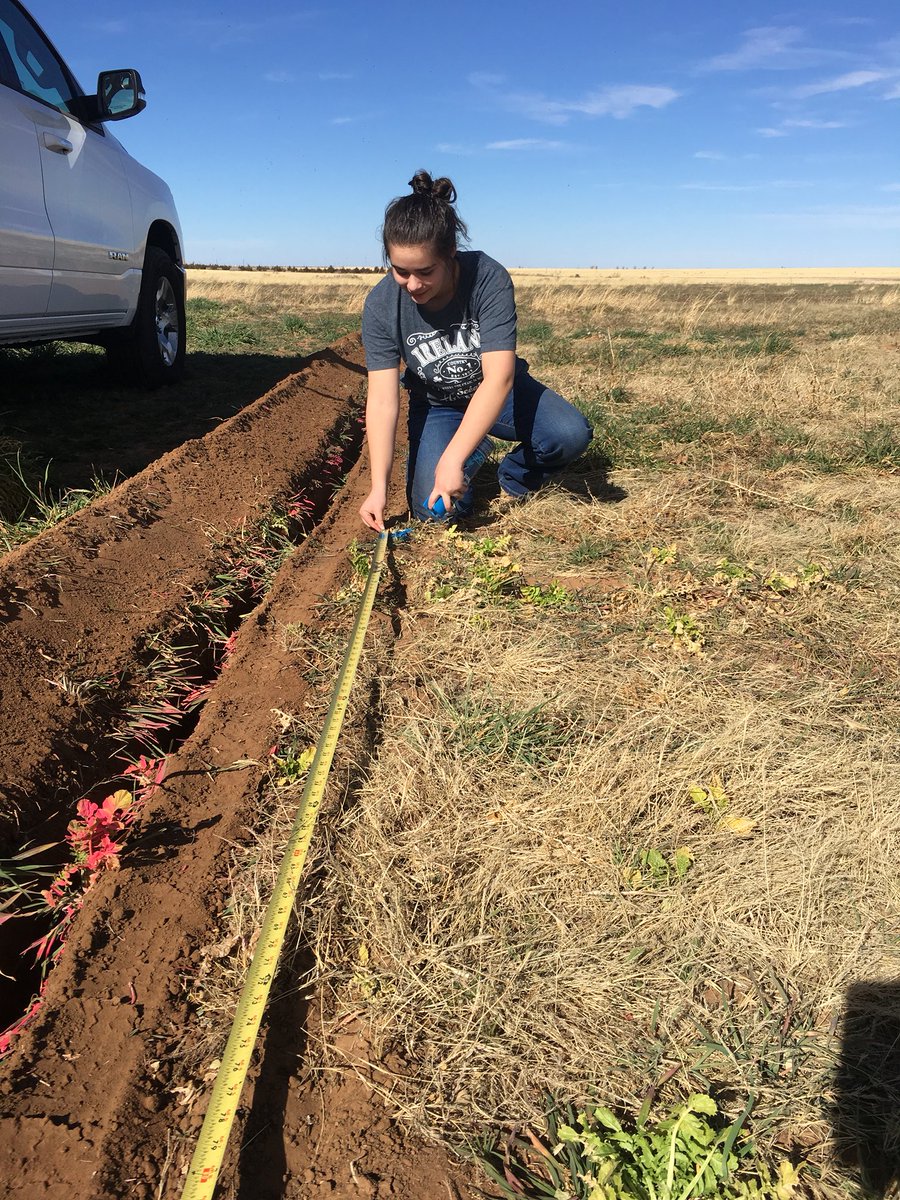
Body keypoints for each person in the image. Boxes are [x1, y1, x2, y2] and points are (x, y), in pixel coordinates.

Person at [358, 171, 593, 532]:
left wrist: (452, 458)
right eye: (400, 271)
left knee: (568, 434)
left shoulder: (487, 277)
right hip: (438, 405)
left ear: (451, 252)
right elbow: (383, 401)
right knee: (437, 513)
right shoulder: (381, 305)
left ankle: (513, 475)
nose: (413, 285)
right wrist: (378, 489)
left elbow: (499, 378)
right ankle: (472, 447)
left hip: (501, 393)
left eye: (425, 271)